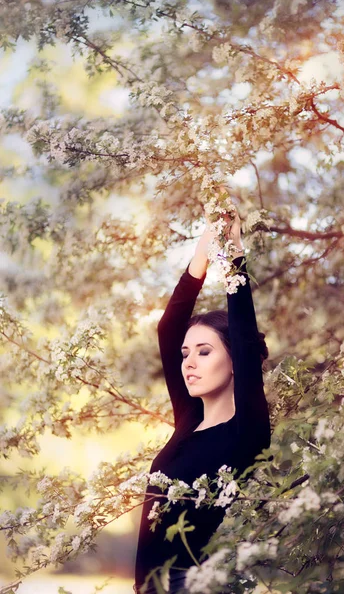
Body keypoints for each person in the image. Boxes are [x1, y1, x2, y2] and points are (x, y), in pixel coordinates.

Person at [134, 208, 271, 594]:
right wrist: (202, 255)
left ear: (234, 364)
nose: (190, 362)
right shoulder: (188, 421)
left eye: (205, 352)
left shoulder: (247, 432)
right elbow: (167, 330)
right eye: (185, 354)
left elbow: (244, 334)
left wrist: (233, 254)